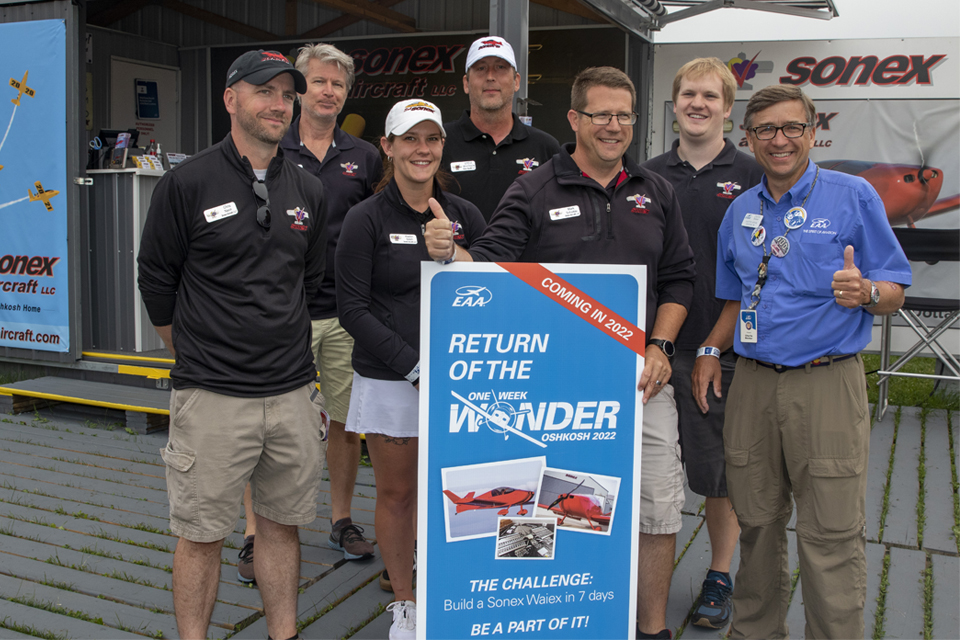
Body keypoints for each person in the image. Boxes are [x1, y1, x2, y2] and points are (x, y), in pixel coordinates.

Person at [425, 67, 696, 640]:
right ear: (574, 119)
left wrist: (661, 345)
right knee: (547, 505)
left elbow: (679, 278)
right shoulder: (534, 189)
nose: (613, 126)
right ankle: (547, 619)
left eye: (624, 115)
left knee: (655, 509)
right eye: (600, 115)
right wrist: (450, 251)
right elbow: (490, 263)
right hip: (554, 391)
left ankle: (651, 630)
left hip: (640, 383)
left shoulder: (655, 191)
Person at [694, 84, 911, 639]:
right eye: (766, 129)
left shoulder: (853, 195)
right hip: (753, 385)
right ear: (749, 138)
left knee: (830, 533)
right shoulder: (740, 211)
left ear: (813, 133)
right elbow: (736, 298)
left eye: (792, 127)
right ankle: (756, 631)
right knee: (757, 523)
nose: (780, 140)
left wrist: (867, 292)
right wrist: (710, 350)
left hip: (826, 383)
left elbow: (894, 289)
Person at [137, 49, 327, 640]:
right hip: (212, 397)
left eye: (287, 95)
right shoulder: (186, 183)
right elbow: (156, 279)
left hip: (291, 395)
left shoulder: (309, 189)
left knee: (281, 527)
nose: (279, 104)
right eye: (265, 91)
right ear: (231, 99)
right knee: (200, 536)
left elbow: (309, 281)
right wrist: (193, 350)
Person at [336, 99, 485, 640]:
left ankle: (453, 591)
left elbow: (498, 278)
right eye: (410, 138)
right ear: (389, 146)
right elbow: (352, 309)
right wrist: (417, 369)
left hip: (462, 380)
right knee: (398, 495)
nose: (423, 149)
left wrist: (456, 253)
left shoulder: (463, 214)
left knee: (460, 490)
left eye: (432, 138)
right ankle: (405, 603)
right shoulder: (365, 218)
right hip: (392, 380)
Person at [234, 43, 382, 583]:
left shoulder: (366, 156)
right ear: (300, 91)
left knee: (344, 419)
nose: (327, 92)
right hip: (282, 311)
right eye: (318, 81)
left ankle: (341, 519)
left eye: (338, 84)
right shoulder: (271, 142)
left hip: (346, 312)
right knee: (264, 422)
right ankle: (255, 532)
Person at [642, 57, 763, 629]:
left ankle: (719, 574)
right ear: (675, 103)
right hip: (652, 349)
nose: (698, 104)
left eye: (710, 96)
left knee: (719, 473)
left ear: (727, 108)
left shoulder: (753, 174)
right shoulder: (645, 175)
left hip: (720, 349)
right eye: (689, 93)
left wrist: (715, 347)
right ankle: (635, 576)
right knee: (647, 473)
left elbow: (756, 274)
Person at [442, 35, 560, 221]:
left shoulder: (545, 147)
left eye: (500, 68)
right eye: (481, 68)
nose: (490, 77)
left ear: (516, 81)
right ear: (466, 83)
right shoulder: (440, 142)